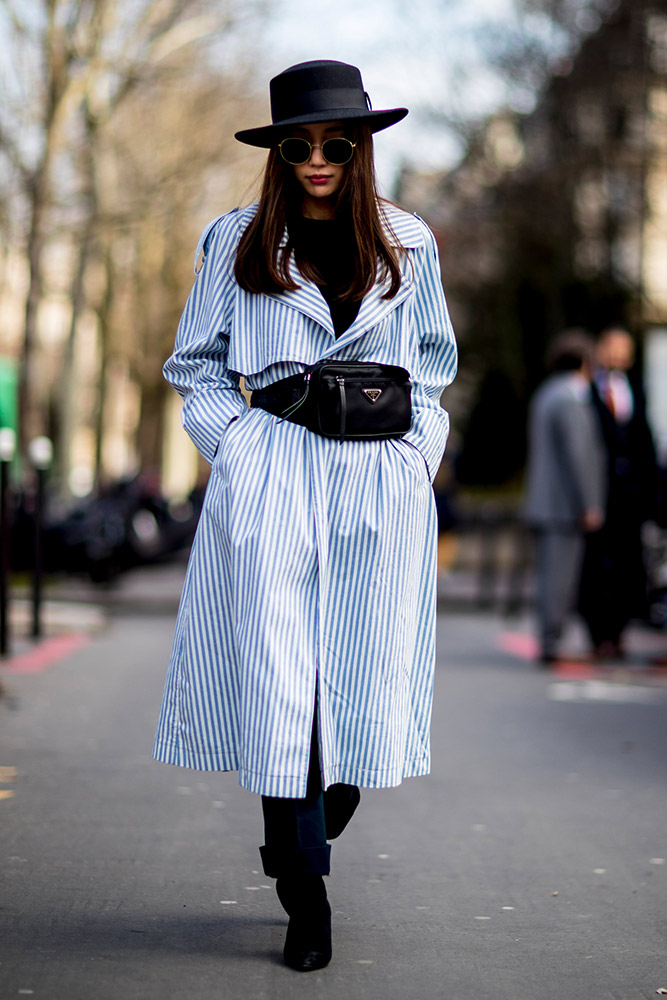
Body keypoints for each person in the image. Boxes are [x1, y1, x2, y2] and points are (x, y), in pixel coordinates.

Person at [152, 60, 457, 972]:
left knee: (359, 683)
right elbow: (195, 365)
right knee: (283, 685)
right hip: (274, 470)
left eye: (335, 144)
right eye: (299, 144)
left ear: (361, 148)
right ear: (277, 152)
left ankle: (311, 830)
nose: (317, 160)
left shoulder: (409, 241)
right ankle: (304, 892)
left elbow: (433, 367)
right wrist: (237, 450)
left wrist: (414, 461)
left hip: (376, 480)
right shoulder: (236, 239)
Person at [523, 330, 605, 664]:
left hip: (544, 501)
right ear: (585, 362)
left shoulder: (546, 394)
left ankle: (549, 637)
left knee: (549, 576)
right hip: (563, 505)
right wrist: (590, 502)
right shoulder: (571, 398)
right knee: (560, 579)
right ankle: (551, 641)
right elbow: (579, 454)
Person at [578, 326, 658, 657]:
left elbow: (644, 442)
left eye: (623, 349)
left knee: (628, 565)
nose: (617, 356)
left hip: (630, 496)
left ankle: (620, 630)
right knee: (597, 565)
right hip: (599, 492)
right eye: (611, 348)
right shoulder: (584, 390)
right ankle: (598, 633)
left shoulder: (636, 390)